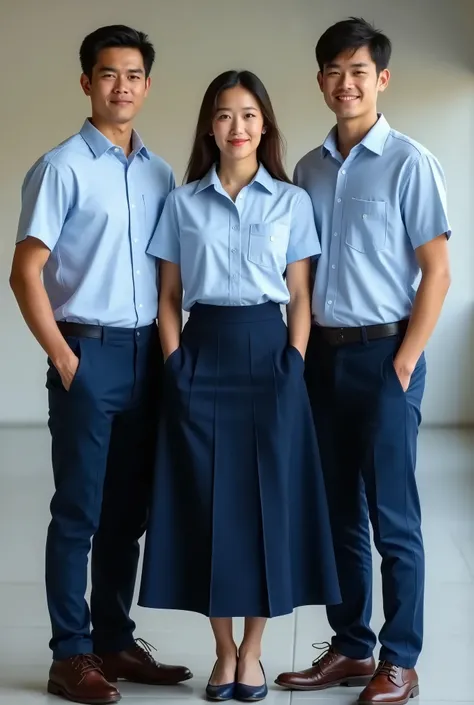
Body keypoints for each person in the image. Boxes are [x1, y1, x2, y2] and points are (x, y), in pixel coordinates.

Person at [138, 69, 341, 702]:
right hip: (201, 354)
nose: (237, 128)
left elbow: (301, 294)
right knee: (204, 506)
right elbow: (168, 296)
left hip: (268, 356)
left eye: (249, 115)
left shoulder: (291, 201)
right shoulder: (181, 202)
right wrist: (175, 366)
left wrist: (292, 363)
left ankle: (252, 652)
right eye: (225, 115)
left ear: (265, 125)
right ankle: (220, 651)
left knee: (265, 507)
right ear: (209, 125)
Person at [10, 24, 192, 705]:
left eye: (135, 74)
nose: (123, 86)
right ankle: (71, 654)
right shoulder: (60, 167)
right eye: (109, 74)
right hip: (87, 352)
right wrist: (63, 355)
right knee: (79, 511)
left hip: (148, 353)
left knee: (128, 512)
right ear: (87, 82)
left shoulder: (159, 172)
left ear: (147, 84)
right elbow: (25, 272)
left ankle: (115, 637)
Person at [275, 17, 451, 705]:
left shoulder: (410, 162)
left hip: (386, 355)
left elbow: (435, 272)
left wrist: (405, 362)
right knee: (337, 512)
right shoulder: (309, 170)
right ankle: (351, 645)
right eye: (333, 71)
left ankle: (399, 659)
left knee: (393, 517)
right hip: (324, 358)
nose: (345, 83)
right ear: (320, 80)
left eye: (358, 71)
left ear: (381, 78)